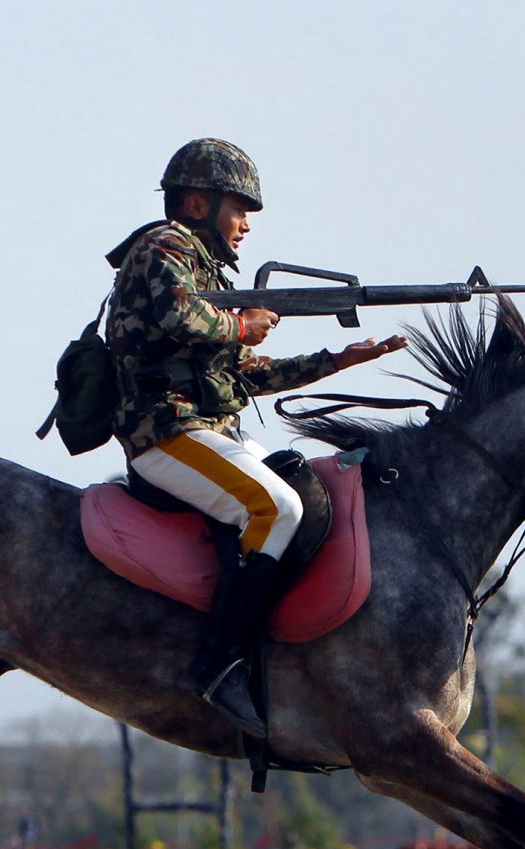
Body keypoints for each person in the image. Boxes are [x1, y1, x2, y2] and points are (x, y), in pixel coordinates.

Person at [106, 138, 407, 737]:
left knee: (304, 486)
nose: (245, 226)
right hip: (166, 433)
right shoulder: (164, 247)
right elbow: (181, 317)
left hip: (208, 429)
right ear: (197, 202)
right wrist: (244, 323)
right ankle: (220, 663)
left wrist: (336, 360)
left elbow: (244, 373)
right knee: (275, 506)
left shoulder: (204, 267)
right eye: (238, 209)